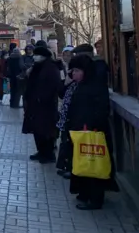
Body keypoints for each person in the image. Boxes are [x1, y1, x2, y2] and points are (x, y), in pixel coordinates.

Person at [65, 55, 118, 210]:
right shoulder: (80, 84)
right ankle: (84, 192)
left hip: (93, 134)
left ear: (85, 71)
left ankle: (95, 198)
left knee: (93, 164)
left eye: (76, 71)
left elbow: (102, 110)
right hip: (80, 132)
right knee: (83, 163)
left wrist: (91, 125)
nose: (73, 74)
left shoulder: (96, 86)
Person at [22, 46, 62, 164]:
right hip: (35, 103)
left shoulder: (51, 68)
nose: (34, 57)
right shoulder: (37, 66)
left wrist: (41, 98)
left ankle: (48, 154)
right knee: (37, 130)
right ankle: (41, 151)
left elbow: (53, 86)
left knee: (46, 130)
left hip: (46, 105)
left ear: (44, 56)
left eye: (37, 55)